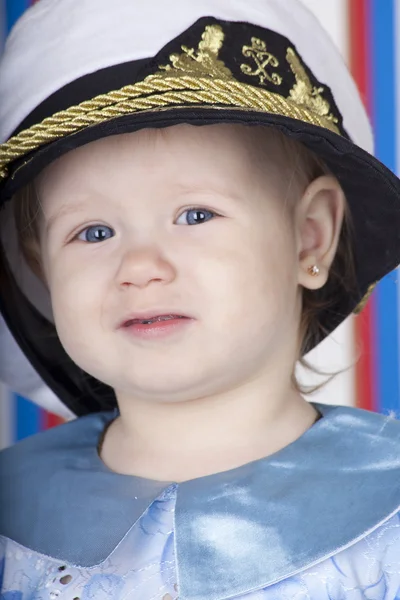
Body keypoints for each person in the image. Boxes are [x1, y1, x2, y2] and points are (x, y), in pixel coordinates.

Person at [1, 0, 400, 598]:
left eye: (194, 214)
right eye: (94, 233)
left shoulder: (386, 510)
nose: (140, 267)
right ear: (42, 271)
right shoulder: (15, 512)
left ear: (309, 237)